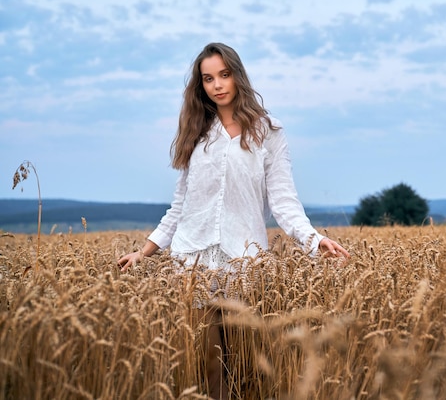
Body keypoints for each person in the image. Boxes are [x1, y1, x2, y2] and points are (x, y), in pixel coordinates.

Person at [117, 42, 349, 399]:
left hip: (244, 263)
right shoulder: (196, 132)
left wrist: (313, 239)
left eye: (224, 75)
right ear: (201, 86)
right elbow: (180, 205)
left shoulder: (268, 131)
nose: (217, 85)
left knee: (248, 364)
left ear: (237, 75)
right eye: (208, 79)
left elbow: (283, 199)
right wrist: (142, 252)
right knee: (209, 367)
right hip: (192, 264)